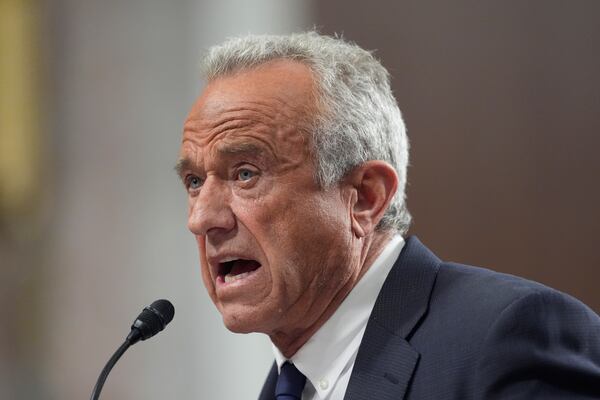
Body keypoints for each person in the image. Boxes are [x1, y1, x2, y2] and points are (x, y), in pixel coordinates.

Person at [176, 32, 600, 399]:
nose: (202, 219)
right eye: (194, 182)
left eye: (245, 173)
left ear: (364, 197)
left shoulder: (505, 338)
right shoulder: (290, 381)